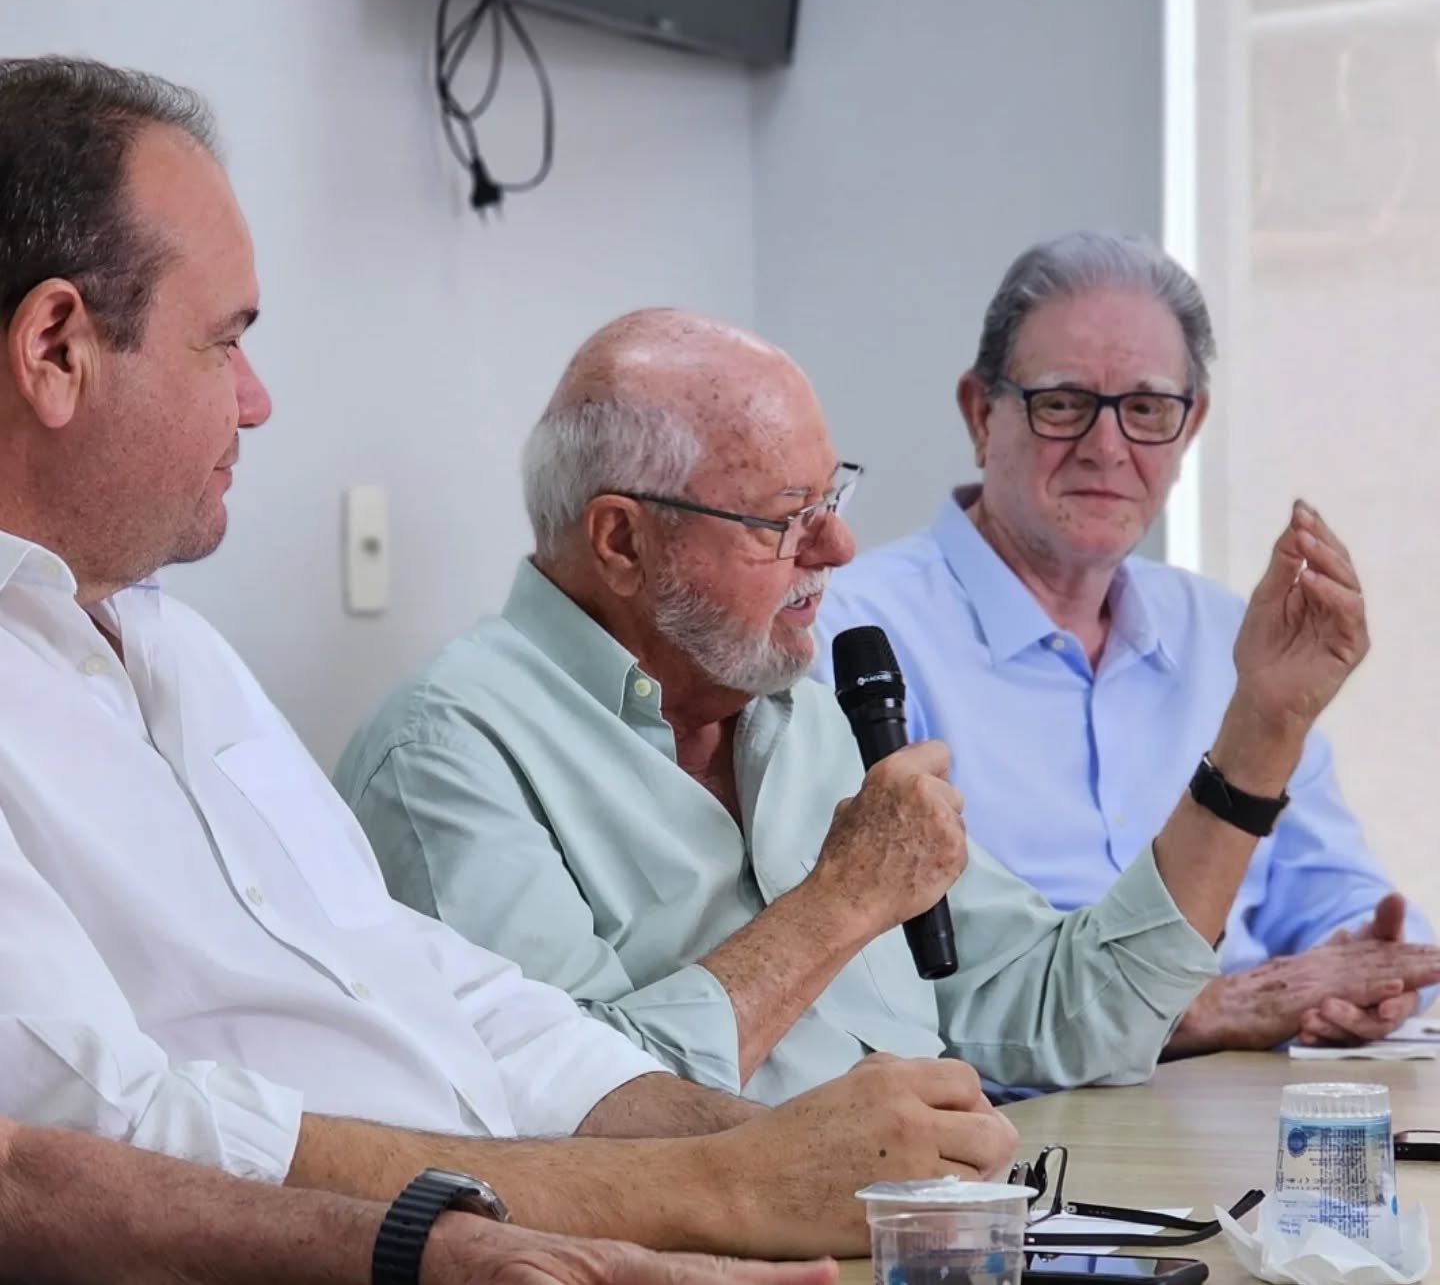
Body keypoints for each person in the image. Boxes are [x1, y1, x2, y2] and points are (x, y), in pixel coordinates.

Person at [0, 55, 1017, 1263]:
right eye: (224, 344)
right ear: (56, 349)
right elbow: (100, 1146)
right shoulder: (449, 735)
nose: (258, 401)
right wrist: (715, 1189)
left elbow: (437, 985)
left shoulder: (177, 646)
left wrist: (777, 1153)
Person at [337, 302, 1401, 1110]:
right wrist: (842, 900)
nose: (839, 547)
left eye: (831, 498)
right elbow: (575, 1116)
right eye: (783, 519)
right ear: (622, 541)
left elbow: (1068, 1011)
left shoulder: (801, 716)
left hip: (943, 1226)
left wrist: (1262, 726)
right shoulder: (449, 753)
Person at [813, 230, 1437, 1055]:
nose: (1107, 448)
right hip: (1017, 1116)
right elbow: (900, 983)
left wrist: (1372, 973)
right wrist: (1196, 1008)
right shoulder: (850, 635)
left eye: (1145, 409)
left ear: (1190, 424)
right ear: (980, 413)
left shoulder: (1231, 636)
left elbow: (1335, 899)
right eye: (1064, 403)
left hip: (1247, 1092)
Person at [0, 1117, 840, 1285]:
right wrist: (437, 1248)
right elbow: (26, 1165)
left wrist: (794, 1151)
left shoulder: (217, 698)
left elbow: (471, 995)